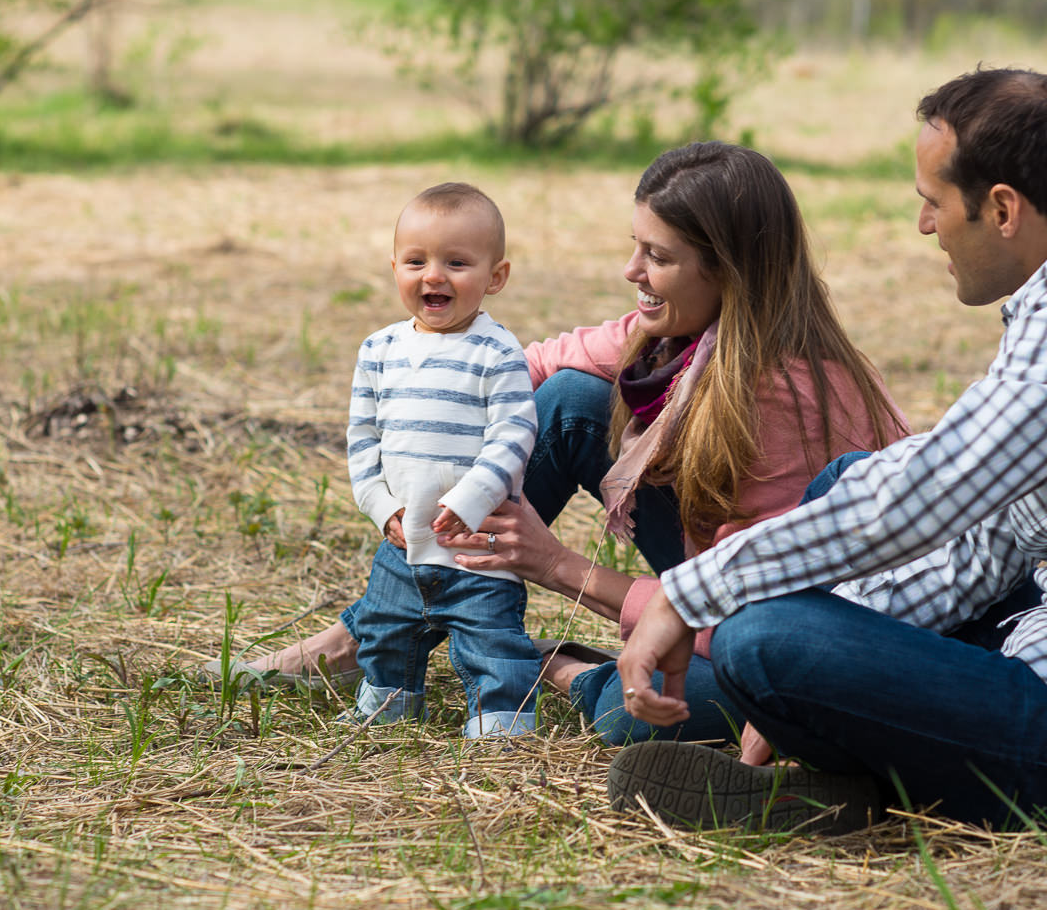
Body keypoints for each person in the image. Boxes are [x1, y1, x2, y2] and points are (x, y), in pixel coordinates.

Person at [610, 68, 1047, 835]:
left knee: (762, 640)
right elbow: (979, 541)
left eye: (933, 202)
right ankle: (850, 777)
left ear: (1003, 208)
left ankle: (865, 780)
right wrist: (831, 649)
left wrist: (693, 596)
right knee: (840, 512)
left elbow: (928, 498)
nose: (924, 225)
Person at [218, 143, 908, 744]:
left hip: (809, 623)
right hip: (717, 572)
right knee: (567, 402)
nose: (631, 271)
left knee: (632, 716)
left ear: (727, 271)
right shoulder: (680, 337)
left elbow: (751, 622)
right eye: (637, 245)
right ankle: (369, 633)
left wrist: (560, 567)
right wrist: (432, 401)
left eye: (658, 256)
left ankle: (555, 665)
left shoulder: (783, 399)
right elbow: (535, 369)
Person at [340, 182, 541, 738]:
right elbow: (362, 440)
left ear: (495, 277)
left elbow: (515, 432)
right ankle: (390, 704)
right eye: (416, 261)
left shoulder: (496, 351)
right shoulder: (379, 350)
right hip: (402, 544)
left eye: (457, 262)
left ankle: (502, 722)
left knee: (493, 637)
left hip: (476, 547)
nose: (434, 275)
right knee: (384, 630)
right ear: (394, 268)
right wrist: (381, 508)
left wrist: (472, 500)